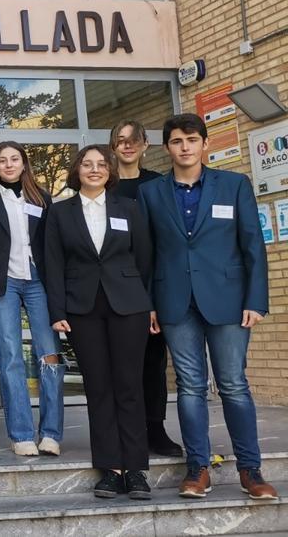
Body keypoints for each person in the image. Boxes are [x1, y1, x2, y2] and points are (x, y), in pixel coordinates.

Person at [138, 114, 277, 501]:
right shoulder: (151, 193)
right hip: (174, 301)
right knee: (189, 386)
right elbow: (146, 255)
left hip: (230, 301)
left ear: (205, 144)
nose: (185, 147)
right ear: (167, 147)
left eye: (192, 139)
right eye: (177, 141)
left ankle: (251, 470)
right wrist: (149, 303)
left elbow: (253, 246)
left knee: (233, 384)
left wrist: (256, 300)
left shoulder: (234, 185)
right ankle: (198, 469)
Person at [46, 145, 154, 500]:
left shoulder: (129, 207)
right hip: (82, 307)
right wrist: (57, 312)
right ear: (77, 170)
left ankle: (136, 469)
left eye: (101, 165)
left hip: (129, 305)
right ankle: (111, 468)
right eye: (87, 164)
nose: (95, 170)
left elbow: (145, 258)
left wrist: (149, 305)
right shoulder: (60, 212)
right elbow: (54, 264)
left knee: (129, 385)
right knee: (98, 386)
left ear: (110, 171)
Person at [0, 142, 62, 458]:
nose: (9, 165)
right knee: (10, 358)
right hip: (3, 284)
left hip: (39, 282)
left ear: (24, 164)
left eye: (15, 159)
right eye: (3, 160)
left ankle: (51, 433)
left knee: (49, 355)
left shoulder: (42, 198)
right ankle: (21, 434)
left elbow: (53, 246)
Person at [111, 119, 181, 458]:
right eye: (120, 140)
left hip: (152, 284)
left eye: (133, 140)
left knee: (154, 361)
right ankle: (129, 429)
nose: (126, 145)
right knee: (122, 364)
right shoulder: (104, 186)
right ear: (113, 146)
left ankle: (156, 428)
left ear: (145, 144)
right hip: (113, 287)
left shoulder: (158, 185)